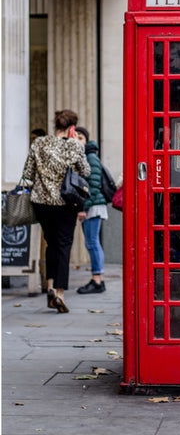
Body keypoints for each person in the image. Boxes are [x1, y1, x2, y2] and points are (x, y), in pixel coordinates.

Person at [22, 109, 90, 313]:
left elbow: (28, 172)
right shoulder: (74, 145)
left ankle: (49, 285)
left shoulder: (39, 143)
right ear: (71, 128)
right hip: (65, 202)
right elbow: (86, 170)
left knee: (51, 243)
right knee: (63, 245)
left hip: (41, 203)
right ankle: (59, 293)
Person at [74, 127, 108, 294]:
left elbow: (92, 187)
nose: (78, 140)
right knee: (92, 243)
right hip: (91, 206)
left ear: (86, 140)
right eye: (76, 137)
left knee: (92, 243)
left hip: (92, 206)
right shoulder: (84, 157)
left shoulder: (90, 157)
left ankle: (97, 280)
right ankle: (98, 279)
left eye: (81, 137)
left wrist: (83, 208)